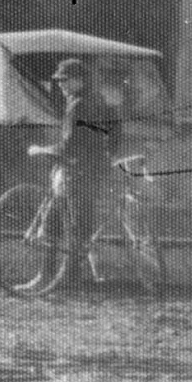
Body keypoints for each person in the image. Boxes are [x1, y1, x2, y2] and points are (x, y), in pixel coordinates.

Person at [42, 57, 122, 280]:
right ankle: (65, 278)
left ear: (79, 80)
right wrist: (110, 152)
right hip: (93, 169)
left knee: (57, 221)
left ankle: (54, 277)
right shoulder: (99, 100)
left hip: (75, 170)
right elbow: (117, 126)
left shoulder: (77, 105)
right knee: (79, 223)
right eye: (59, 81)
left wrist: (44, 150)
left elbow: (69, 143)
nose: (61, 85)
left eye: (65, 80)